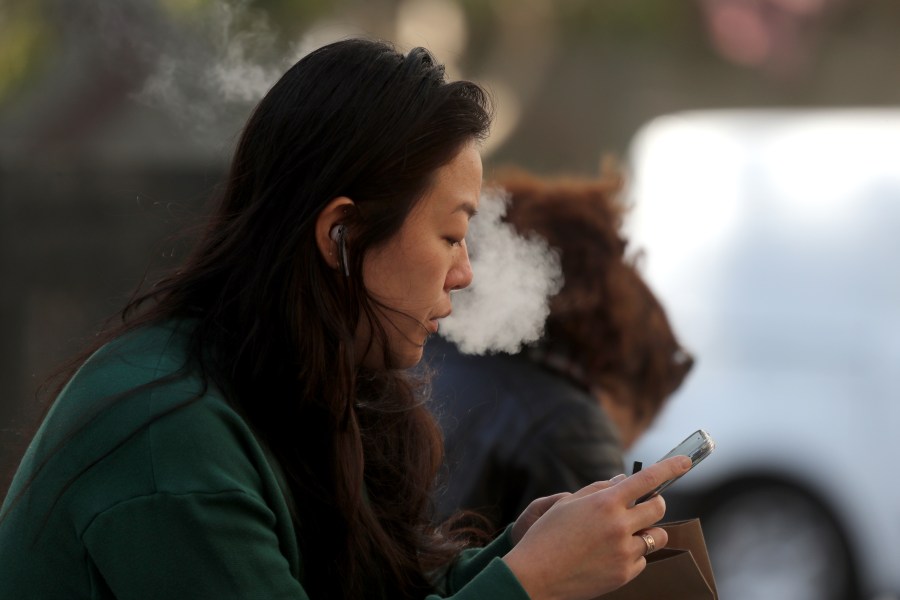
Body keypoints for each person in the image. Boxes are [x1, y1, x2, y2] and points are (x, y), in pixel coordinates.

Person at [0, 39, 690, 599]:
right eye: (451, 236)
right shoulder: (169, 441)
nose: (466, 272)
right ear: (343, 236)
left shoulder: (295, 390)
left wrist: (520, 554)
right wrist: (528, 582)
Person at [428, 166, 694, 529]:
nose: (622, 450)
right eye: (631, 431)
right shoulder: (570, 427)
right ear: (613, 373)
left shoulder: (422, 358)